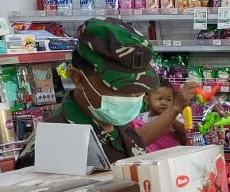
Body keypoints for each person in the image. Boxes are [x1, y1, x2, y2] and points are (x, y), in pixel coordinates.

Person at [15, 18, 161, 168]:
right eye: (122, 88)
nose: (134, 97)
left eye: (140, 89)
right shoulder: (51, 143)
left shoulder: (118, 126)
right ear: (78, 79)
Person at [133, 78, 191, 152]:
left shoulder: (176, 116)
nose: (164, 103)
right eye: (160, 99)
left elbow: (185, 133)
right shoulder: (141, 118)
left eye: (169, 100)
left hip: (172, 153)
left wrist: (173, 121)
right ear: (147, 100)